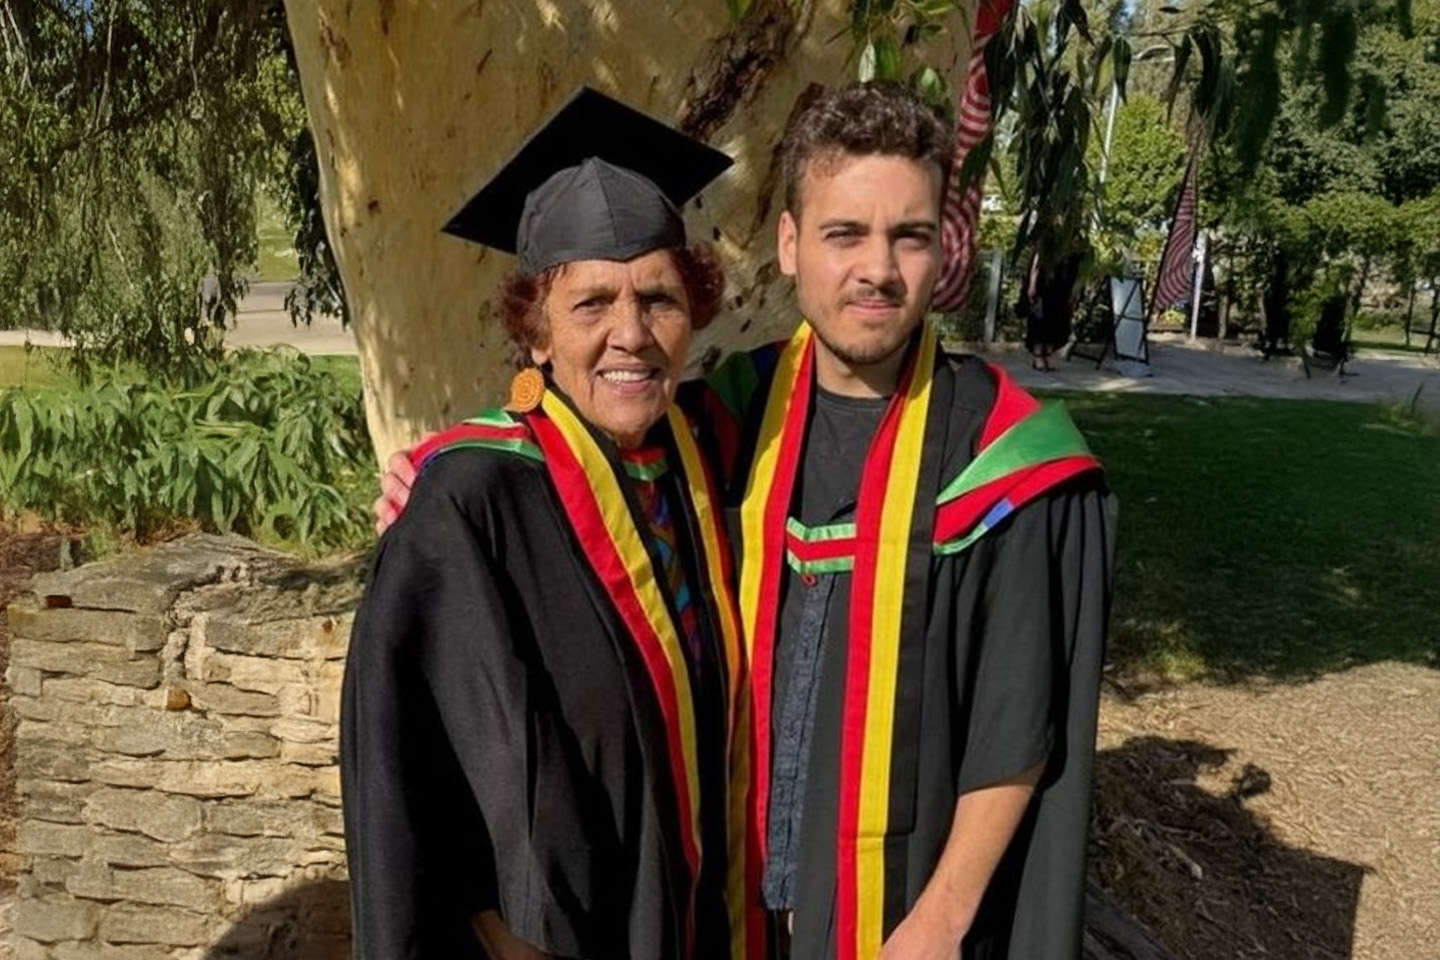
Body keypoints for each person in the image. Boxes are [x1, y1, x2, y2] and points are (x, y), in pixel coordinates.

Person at [378, 81, 1116, 960]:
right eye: (844, 233)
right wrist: (441, 464)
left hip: (902, 919)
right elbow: (578, 427)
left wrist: (940, 925)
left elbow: (1019, 716)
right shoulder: (733, 416)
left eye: (908, 236)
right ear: (791, 245)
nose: (876, 270)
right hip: (723, 912)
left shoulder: (1007, 460)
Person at [343, 87, 756, 960]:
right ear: (535, 331)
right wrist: (503, 928)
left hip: (709, 913)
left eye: (659, 299)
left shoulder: (715, 451)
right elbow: (412, 755)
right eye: (591, 303)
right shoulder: (470, 498)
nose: (630, 334)